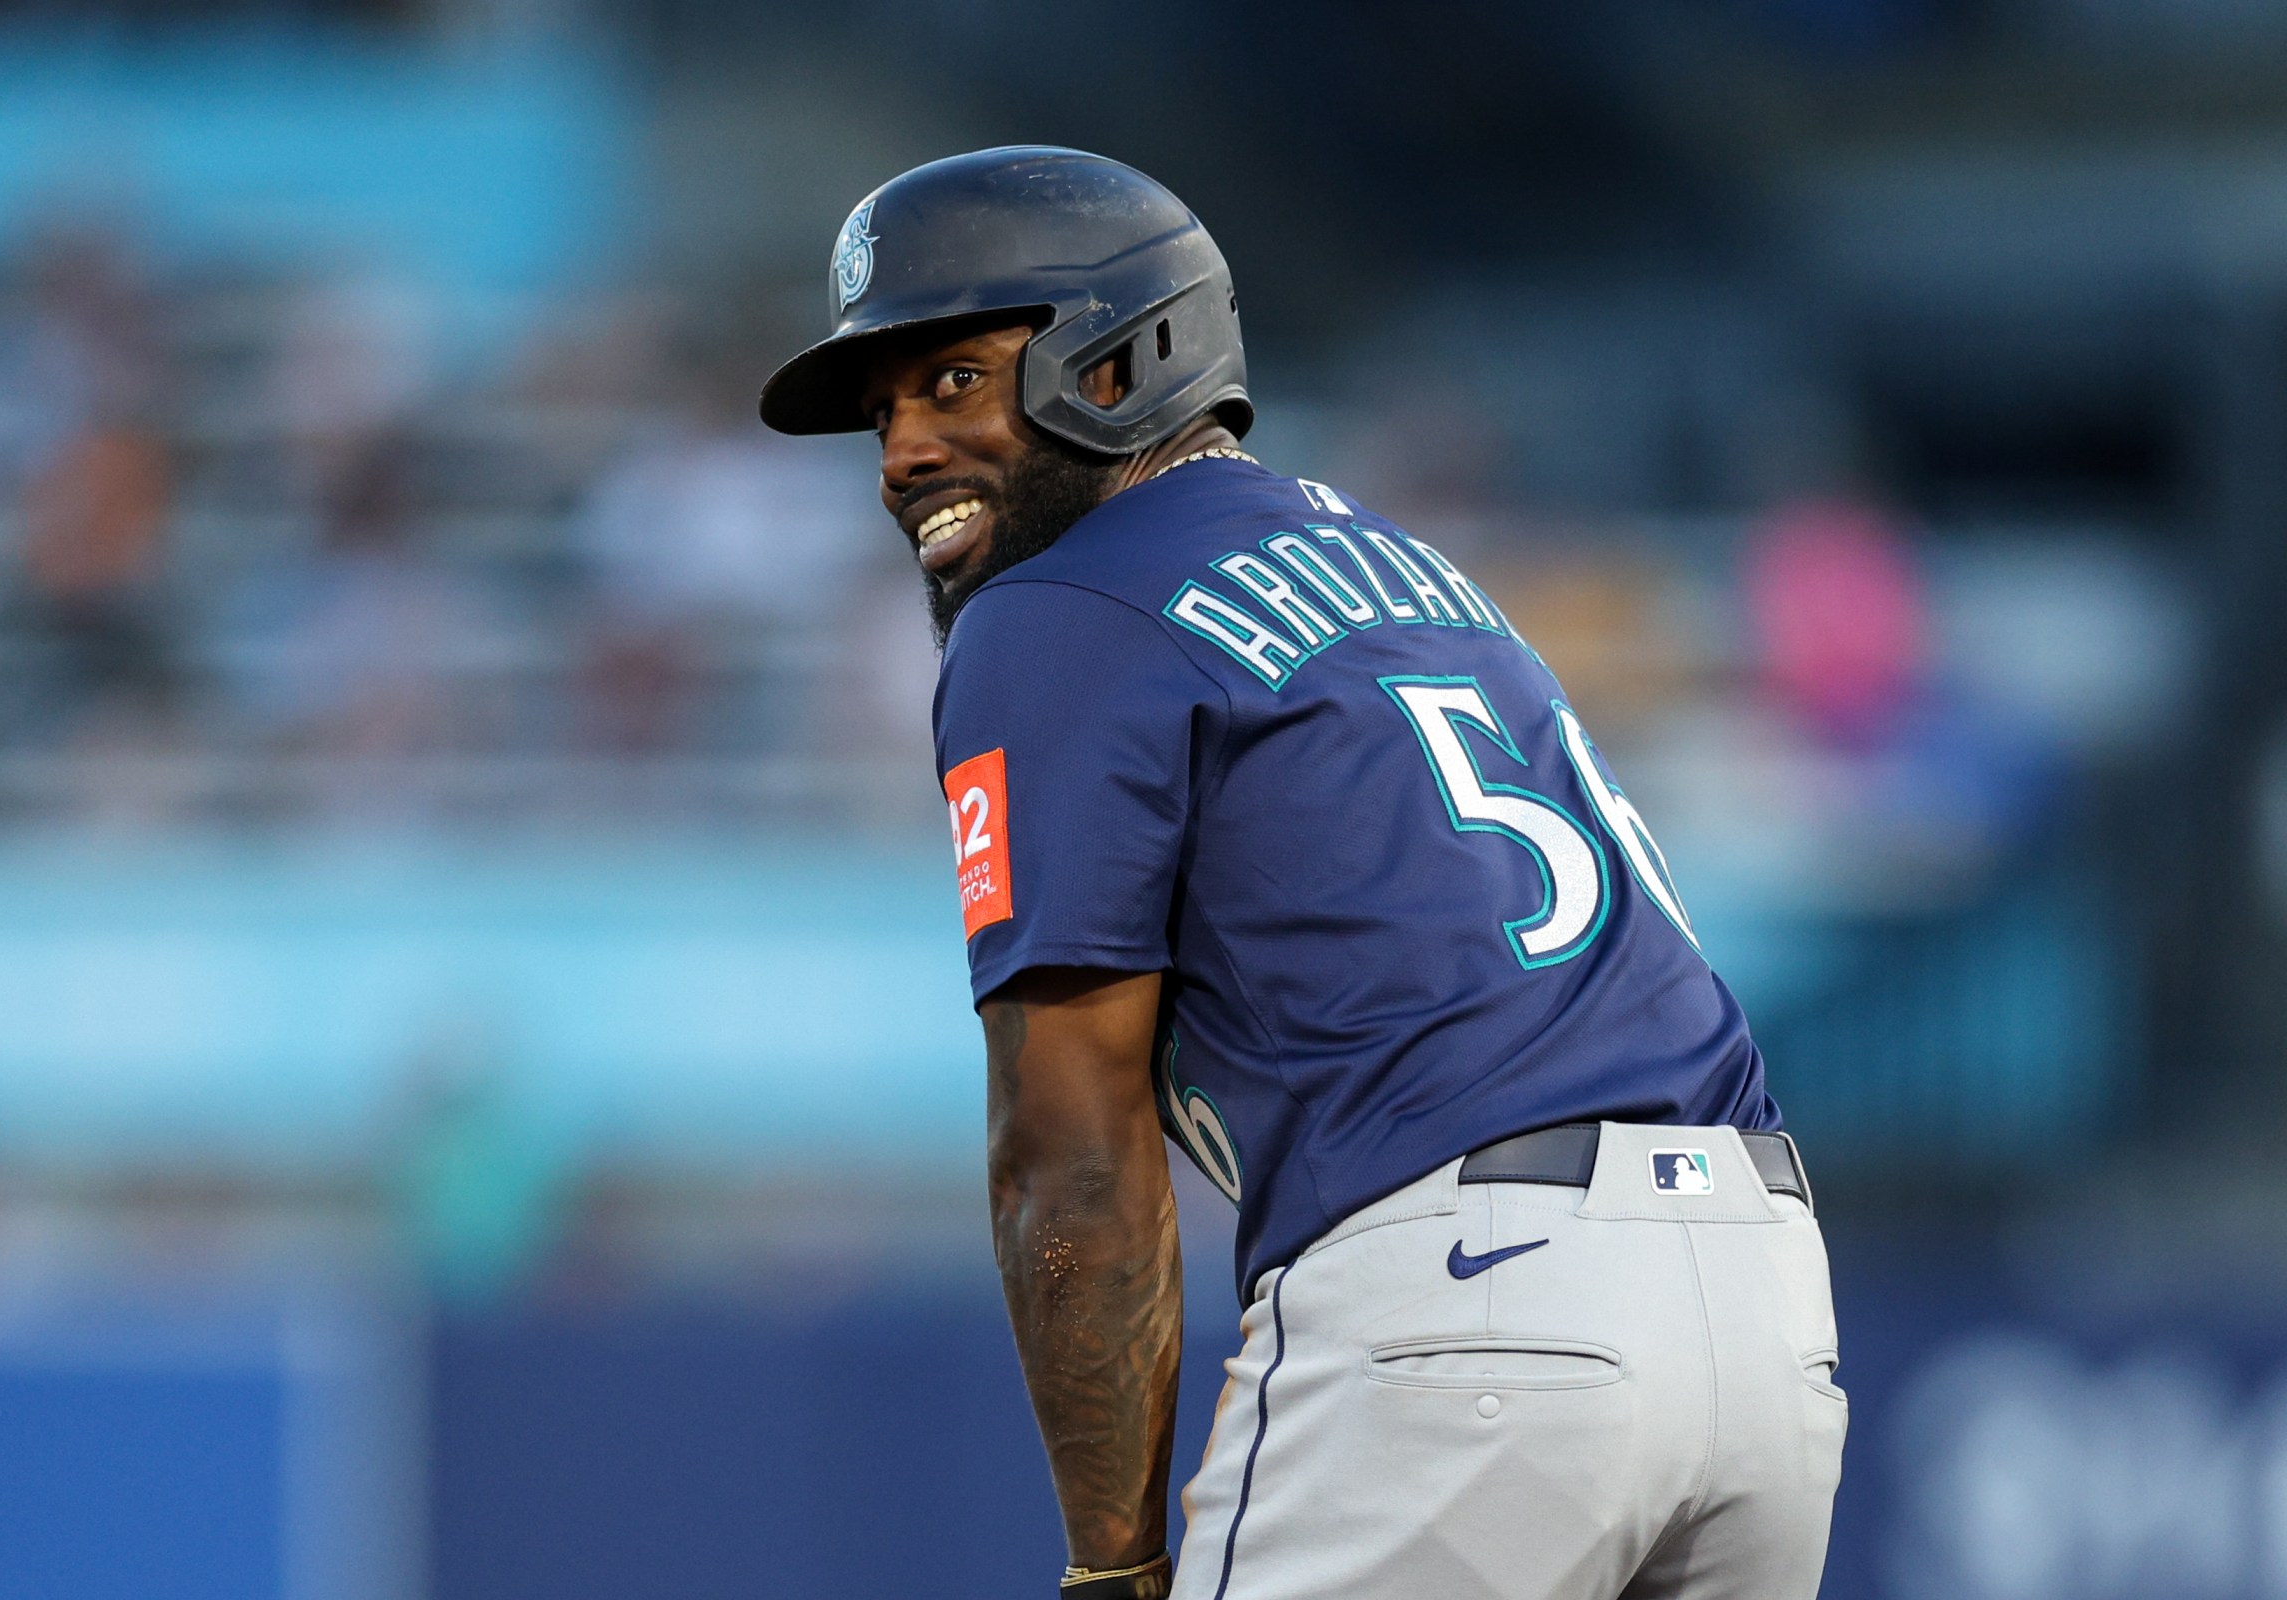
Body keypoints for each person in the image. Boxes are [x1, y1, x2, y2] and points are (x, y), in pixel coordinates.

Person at [759, 147, 1845, 1600]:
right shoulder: (1411, 567)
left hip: (1475, 1312)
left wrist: (1116, 1561)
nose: (899, 451)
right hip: (1765, 1306)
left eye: (949, 380)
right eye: (881, 411)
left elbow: (1067, 1149)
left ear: (1121, 354)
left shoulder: (1058, 607)